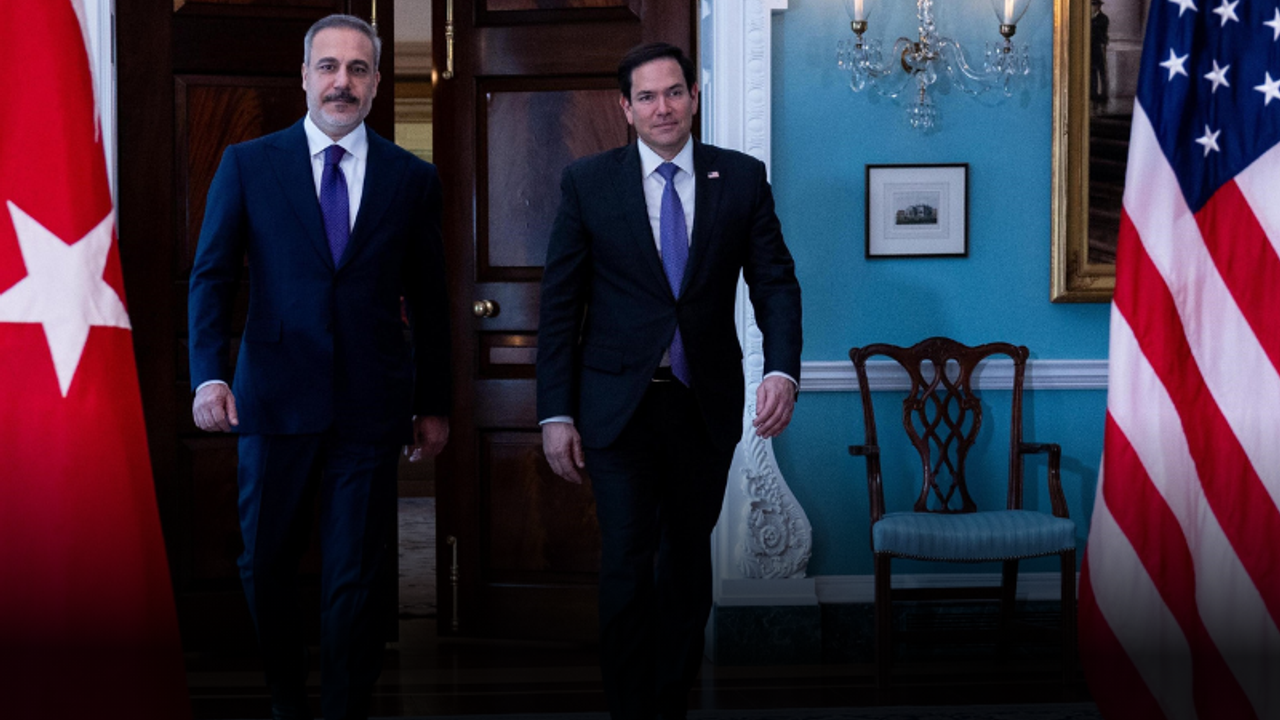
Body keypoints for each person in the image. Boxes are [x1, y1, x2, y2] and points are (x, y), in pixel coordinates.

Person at [187, 14, 450, 720]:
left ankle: (344, 706)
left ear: (376, 82)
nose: (342, 81)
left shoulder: (411, 177)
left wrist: (433, 402)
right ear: (304, 75)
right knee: (264, 561)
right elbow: (212, 277)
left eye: (357, 68)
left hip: (371, 405)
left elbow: (431, 299)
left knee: (355, 574)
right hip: (273, 399)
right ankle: (285, 697)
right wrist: (209, 374)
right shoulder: (248, 163)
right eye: (328, 66)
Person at [536, 42, 802, 720]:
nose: (663, 107)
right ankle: (630, 709)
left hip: (701, 404)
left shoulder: (740, 178)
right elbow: (561, 304)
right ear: (625, 108)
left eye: (674, 92)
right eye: (647, 96)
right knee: (627, 559)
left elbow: (775, 283)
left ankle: (670, 702)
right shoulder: (588, 182)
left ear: (694, 97)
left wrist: (781, 369)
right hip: (618, 407)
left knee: (685, 560)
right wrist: (555, 413)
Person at [1090, 0, 1110, 114]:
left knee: (1102, 73)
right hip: (1092, 49)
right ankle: (1094, 96)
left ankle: (1103, 95)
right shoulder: (1091, 19)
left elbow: (1100, 33)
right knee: (1093, 73)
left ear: (1098, 6)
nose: (1093, 7)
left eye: (1094, 5)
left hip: (1099, 47)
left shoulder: (1103, 18)